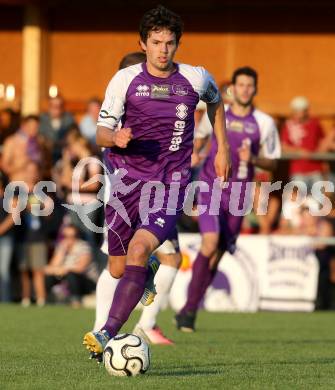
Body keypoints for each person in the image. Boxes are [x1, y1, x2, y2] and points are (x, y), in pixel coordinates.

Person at [83, 5, 230, 357]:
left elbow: (216, 102)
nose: (163, 49)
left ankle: (105, 334)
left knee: (139, 249)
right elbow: (102, 131)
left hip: (170, 185)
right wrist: (114, 138)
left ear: (177, 44)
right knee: (118, 267)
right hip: (126, 184)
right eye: (156, 42)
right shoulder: (125, 80)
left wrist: (222, 149)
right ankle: (146, 272)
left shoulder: (195, 78)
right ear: (143, 43)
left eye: (169, 43)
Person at [175, 66, 281, 332]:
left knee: (217, 254)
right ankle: (188, 310)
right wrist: (194, 154)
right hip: (212, 187)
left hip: (239, 196)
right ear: (232, 89)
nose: (244, 89)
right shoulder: (216, 114)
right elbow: (196, 141)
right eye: (240, 85)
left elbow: (273, 162)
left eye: (249, 85)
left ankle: (189, 309)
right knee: (209, 244)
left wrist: (254, 159)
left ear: (255, 89)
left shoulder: (264, 123)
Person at [92, 51, 182, 346]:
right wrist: (117, 138)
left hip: (160, 193)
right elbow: (102, 137)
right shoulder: (116, 118)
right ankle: (107, 324)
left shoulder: (164, 106)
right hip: (123, 196)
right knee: (117, 268)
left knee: (169, 256)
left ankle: (132, 326)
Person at [45, 224, 98, 308]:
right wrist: (61, 253)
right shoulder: (61, 247)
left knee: (71, 275)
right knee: (50, 276)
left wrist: (63, 270)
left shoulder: (84, 247)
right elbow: (51, 267)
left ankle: (75, 301)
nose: (69, 239)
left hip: (87, 281)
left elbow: (80, 268)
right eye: (65, 236)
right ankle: (45, 299)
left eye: (72, 236)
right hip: (66, 277)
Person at [281, 96, 325, 193]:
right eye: (296, 111)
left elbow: (322, 141)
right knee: (299, 201)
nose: (298, 113)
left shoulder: (315, 123)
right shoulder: (288, 125)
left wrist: (318, 153)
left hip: (315, 169)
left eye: (301, 110)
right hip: (298, 170)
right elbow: (284, 146)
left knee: (319, 201)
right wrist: (299, 151)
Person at [39, 96, 75, 163]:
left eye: (59, 106)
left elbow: (73, 134)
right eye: (53, 105)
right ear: (49, 107)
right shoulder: (43, 119)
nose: (56, 108)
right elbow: (40, 135)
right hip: (47, 152)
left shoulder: (69, 118)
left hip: (65, 151)